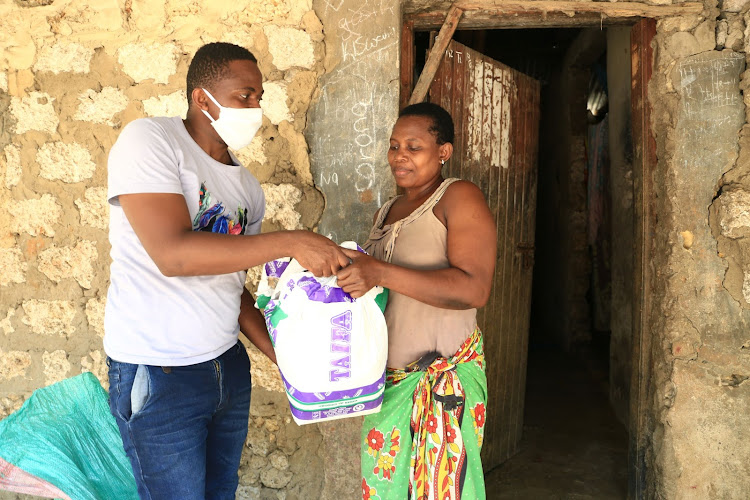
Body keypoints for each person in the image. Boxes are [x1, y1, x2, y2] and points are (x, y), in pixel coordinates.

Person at [104, 42, 348, 500]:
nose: (256, 108)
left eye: (259, 96)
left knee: (220, 493)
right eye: (244, 96)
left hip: (225, 366)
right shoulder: (151, 141)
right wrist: (294, 241)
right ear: (202, 98)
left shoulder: (247, 188)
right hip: (160, 372)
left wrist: (289, 359)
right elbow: (172, 255)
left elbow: (234, 292)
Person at [336, 102, 497, 499]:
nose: (399, 156)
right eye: (393, 146)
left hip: (439, 381)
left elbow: (474, 290)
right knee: (384, 488)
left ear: (443, 152)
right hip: (388, 385)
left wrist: (378, 271)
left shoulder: (458, 197)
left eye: (413, 146)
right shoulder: (386, 211)